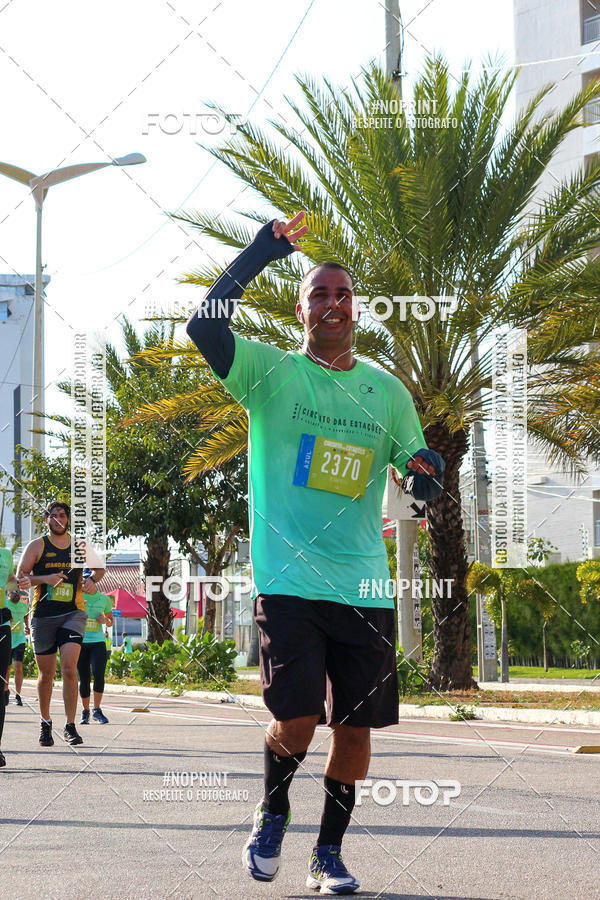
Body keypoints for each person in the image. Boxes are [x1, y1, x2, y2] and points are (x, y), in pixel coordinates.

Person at [186, 213, 445, 893]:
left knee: (355, 733)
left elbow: (416, 488)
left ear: (356, 310)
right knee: (296, 719)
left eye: (344, 294)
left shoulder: (386, 393)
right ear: (302, 309)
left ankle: (327, 855)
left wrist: (427, 475)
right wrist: (262, 250)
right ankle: (272, 812)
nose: (333, 303)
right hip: (288, 577)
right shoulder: (269, 375)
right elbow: (204, 328)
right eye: (320, 293)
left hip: (362, 584)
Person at [17, 501, 105, 747]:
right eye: (53, 516)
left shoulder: (79, 546)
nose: (58, 519)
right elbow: (20, 578)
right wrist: (46, 578)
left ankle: (70, 726)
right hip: (43, 615)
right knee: (46, 673)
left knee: (68, 668)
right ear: (47, 520)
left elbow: (99, 569)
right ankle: (45, 723)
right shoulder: (37, 546)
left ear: (68, 519)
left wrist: (91, 581)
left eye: (62, 515)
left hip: (73, 613)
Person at [0, 547, 30, 766]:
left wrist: (19, 584)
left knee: (1, 684)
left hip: (1, 625)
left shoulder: (5, 554)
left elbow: (9, 580)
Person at [78, 589, 113, 725]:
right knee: (84, 678)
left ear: (94, 582)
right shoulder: (78, 596)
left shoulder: (104, 599)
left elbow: (111, 621)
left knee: (98, 674)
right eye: (84, 580)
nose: (85, 583)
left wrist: (105, 620)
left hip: (98, 642)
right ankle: (85, 711)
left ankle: (97, 710)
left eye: (88, 580)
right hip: (81, 642)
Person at [5, 590, 29, 706]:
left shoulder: (23, 606)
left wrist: (27, 626)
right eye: (14, 593)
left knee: (18, 667)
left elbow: (25, 617)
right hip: (7, 640)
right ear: (9, 593)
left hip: (20, 640)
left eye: (18, 593)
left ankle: (18, 695)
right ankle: (5, 691)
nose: (16, 595)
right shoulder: (4, 604)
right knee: (7, 669)